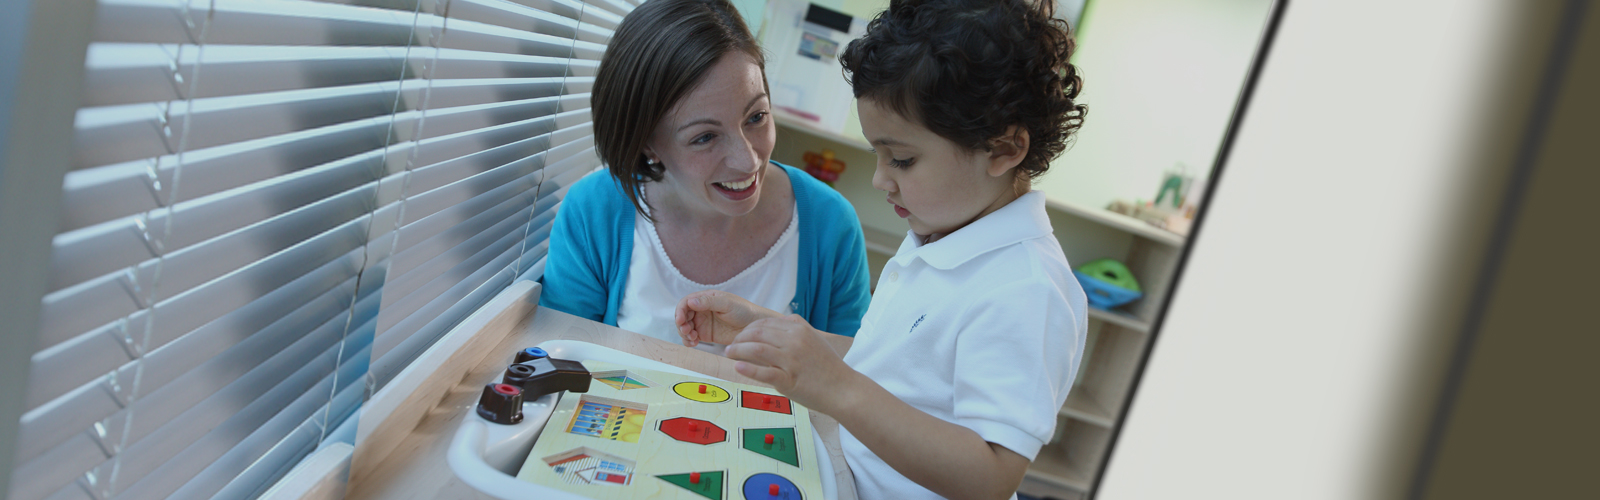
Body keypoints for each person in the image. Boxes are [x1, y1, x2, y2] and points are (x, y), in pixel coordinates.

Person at [675, 0, 1089, 498]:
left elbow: (991, 477)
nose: (879, 180)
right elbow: (891, 367)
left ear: (1002, 150)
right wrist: (771, 330)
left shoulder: (1026, 289)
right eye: (879, 155)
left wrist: (837, 387)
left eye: (903, 160)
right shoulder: (941, 239)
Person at [538, 0, 873, 352]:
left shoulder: (831, 224)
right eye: (705, 137)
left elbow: (856, 371)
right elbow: (558, 358)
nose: (747, 161)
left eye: (756, 117)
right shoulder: (592, 212)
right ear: (647, 144)